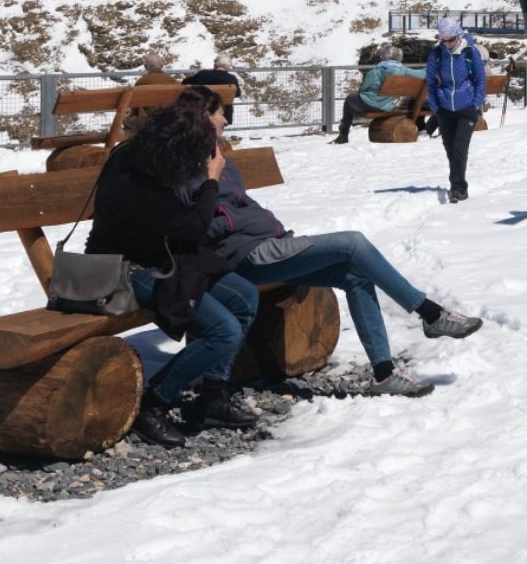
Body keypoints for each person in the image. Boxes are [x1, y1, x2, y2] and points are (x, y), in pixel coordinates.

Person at [173, 85, 484, 398]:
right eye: (218, 114)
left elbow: (241, 209)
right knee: (353, 243)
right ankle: (429, 313)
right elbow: (201, 223)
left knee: (355, 275)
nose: (225, 120)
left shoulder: (217, 158)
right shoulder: (187, 167)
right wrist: (217, 189)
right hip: (245, 256)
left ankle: (384, 372)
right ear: (201, 118)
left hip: (266, 246)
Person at [86, 101, 262, 446]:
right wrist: (211, 180)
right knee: (223, 331)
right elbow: (194, 227)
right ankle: (154, 403)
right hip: (126, 270)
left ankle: (213, 395)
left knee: (245, 297)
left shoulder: (135, 154)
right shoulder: (141, 186)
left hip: (162, 257)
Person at [426, 18, 486, 202]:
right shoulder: (436, 55)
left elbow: (480, 80)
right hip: (445, 109)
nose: (447, 43)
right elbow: (430, 82)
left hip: (466, 108)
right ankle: (457, 181)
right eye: (443, 40)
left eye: (450, 39)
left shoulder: (470, 53)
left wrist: (476, 104)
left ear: (458, 36)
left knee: (460, 148)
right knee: (450, 149)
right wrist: (436, 107)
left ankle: (458, 187)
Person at [333, 50, 424, 143]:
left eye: (382, 55)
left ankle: (343, 134)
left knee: (349, 100)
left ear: (386, 58)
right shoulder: (404, 70)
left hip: (370, 104)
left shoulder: (376, 70)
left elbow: (364, 90)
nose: (380, 57)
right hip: (388, 106)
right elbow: (422, 74)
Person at [185, 55, 243, 124]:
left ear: (215, 64)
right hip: (224, 115)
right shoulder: (232, 78)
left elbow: (185, 83)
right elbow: (237, 94)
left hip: (204, 113)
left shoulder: (203, 74)